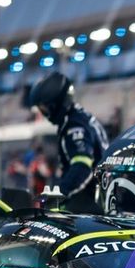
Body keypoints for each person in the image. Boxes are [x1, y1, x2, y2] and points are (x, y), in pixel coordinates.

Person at [27, 72, 109, 212]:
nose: (44, 114)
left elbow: (82, 167)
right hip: (98, 196)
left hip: (90, 203)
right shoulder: (79, 117)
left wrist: (59, 195)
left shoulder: (74, 126)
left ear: (55, 104)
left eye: (44, 108)